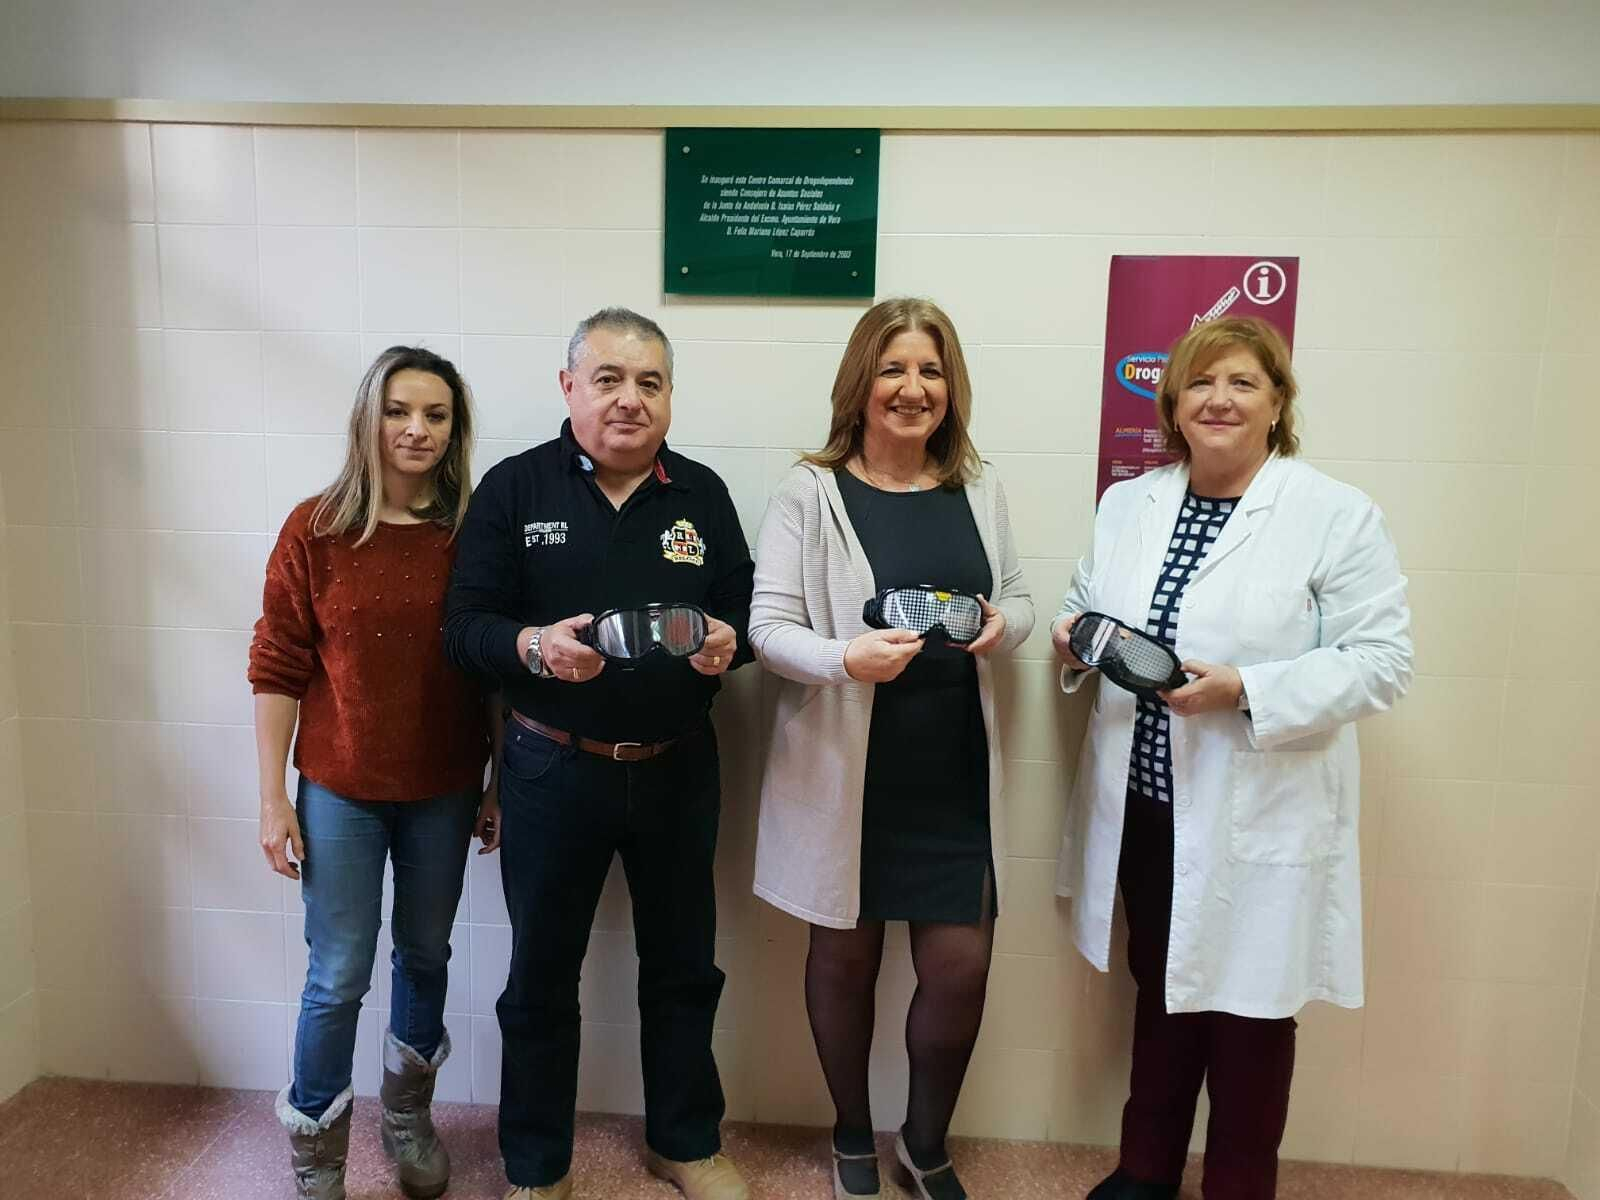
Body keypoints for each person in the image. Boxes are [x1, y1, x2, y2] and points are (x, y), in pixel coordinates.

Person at [1052, 317, 1413, 1200]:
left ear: (1278, 402)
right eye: (1201, 383)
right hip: (1148, 805)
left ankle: (1238, 1187)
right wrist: (1072, 636)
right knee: (1160, 988)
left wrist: (1246, 687)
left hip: (1260, 809)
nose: (1219, 400)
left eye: (1243, 383)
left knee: (1251, 1013)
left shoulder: (1333, 514)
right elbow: (1083, 603)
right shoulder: (1129, 503)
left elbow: (1382, 662)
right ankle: (1145, 1172)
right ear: (1173, 402)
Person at [443, 308, 755, 1200]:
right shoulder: (514, 489)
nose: (629, 399)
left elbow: (747, 612)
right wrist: (533, 648)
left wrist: (730, 642)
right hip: (551, 767)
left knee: (685, 966)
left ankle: (685, 1144)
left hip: (677, 766)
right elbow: (462, 629)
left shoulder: (701, 494)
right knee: (540, 976)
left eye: (649, 383)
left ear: (669, 397)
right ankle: (537, 1167)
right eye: (609, 379)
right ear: (569, 386)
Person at [749, 297, 1034, 1200]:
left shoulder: (978, 487)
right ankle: (849, 1134)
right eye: (894, 368)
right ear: (860, 383)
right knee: (845, 963)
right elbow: (767, 629)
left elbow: (1020, 597)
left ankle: (923, 1139)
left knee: (961, 970)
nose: (914, 388)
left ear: (952, 388)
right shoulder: (810, 492)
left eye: (931, 371)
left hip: (951, 775)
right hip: (849, 779)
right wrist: (846, 659)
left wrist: (1006, 626)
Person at [251, 345, 497, 1200]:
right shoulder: (314, 529)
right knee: (338, 975)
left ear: (455, 429)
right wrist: (272, 799)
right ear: (368, 418)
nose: (416, 429)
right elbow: (277, 665)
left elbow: (494, 670)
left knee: (425, 956)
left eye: (436, 414)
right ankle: (316, 1146)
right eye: (399, 411)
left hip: (445, 788)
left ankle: (407, 1117)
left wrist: (498, 782)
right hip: (339, 792)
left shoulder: (473, 534)